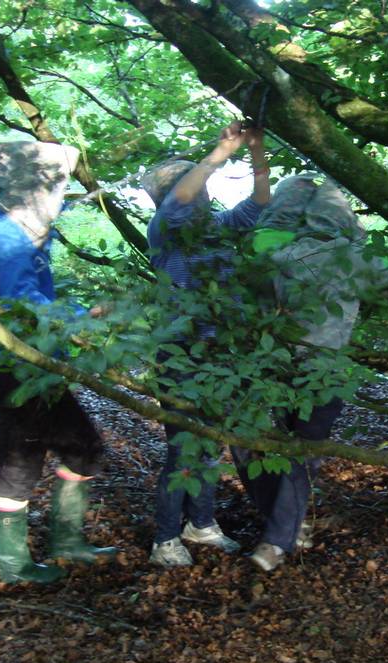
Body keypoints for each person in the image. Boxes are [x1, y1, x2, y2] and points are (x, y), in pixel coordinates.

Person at [232, 173, 388, 572]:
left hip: (272, 366)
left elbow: (253, 302)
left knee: (259, 445)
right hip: (324, 370)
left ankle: (281, 529)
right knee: (303, 453)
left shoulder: (277, 256)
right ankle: (279, 538)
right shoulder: (358, 258)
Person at [0, 140, 118, 584]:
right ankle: (20, 562)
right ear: (33, 185)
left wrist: (82, 201)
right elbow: (22, 304)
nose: (58, 193)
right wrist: (82, 317)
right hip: (20, 361)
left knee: (38, 450)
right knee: (43, 452)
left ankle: (58, 547)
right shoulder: (10, 238)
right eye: (55, 183)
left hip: (12, 358)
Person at [141, 121, 271, 566]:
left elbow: (258, 204)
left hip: (223, 357)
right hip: (182, 358)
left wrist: (256, 149)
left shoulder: (215, 227)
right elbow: (178, 202)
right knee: (184, 449)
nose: (200, 195)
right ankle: (164, 539)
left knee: (211, 445)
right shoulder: (165, 229)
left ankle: (201, 524)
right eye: (193, 188)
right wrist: (219, 153)